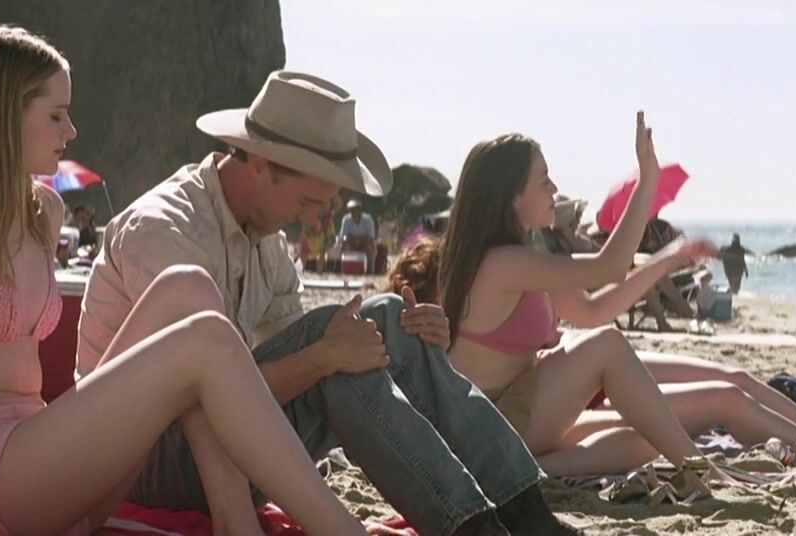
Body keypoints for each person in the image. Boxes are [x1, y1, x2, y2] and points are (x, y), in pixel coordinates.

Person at [0, 27, 363, 535]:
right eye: (56, 116)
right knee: (208, 337)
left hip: (55, 468)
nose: (70, 132)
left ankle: (233, 517)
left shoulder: (44, 210)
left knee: (189, 287)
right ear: (5, 112)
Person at [77, 70, 581, 535]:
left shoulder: (266, 240)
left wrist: (417, 344)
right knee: (335, 344)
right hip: (139, 460)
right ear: (259, 165)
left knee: (386, 320)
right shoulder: (168, 230)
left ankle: (523, 511)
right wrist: (325, 356)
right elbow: (200, 396)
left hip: (232, 439)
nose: (313, 218)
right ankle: (471, 527)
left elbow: (274, 376)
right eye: (306, 202)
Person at [429, 115, 796, 478]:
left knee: (650, 436)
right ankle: (707, 473)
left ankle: (533, 471)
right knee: (609, 347)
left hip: (521, 410)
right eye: (543, 182)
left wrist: (666, 260)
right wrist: (646, 183)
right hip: (495, 425)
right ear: (512, 197)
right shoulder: (502, 263)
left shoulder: (521, 258)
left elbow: (595, 309)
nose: (554, 189)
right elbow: (609, 267)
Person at [339, 198, 377, 273]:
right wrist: (352, 240)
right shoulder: (346, 219)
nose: (353, 212)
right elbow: (343, 236)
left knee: (369, 246)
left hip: (364, 243)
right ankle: (347, 268)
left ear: (360, 210)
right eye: (351, 209)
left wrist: (360, 239)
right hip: (351, 243)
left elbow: (371, 237)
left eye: (356, 209)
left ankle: (370, 269)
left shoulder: (368, 220)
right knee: (345, 245)